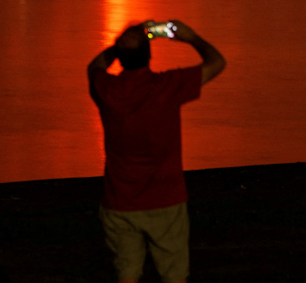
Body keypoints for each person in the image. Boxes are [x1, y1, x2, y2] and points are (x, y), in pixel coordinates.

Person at [86, 20, 227, 283]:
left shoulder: (108, 90)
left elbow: (94, 67)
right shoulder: (168, 87)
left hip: (120, 202)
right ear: (149, 55)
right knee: (173, 276)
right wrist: (190, 37)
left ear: (121, 57)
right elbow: (217, 63)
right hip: (166, 201)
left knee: (126, 275)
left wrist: (120, 46)